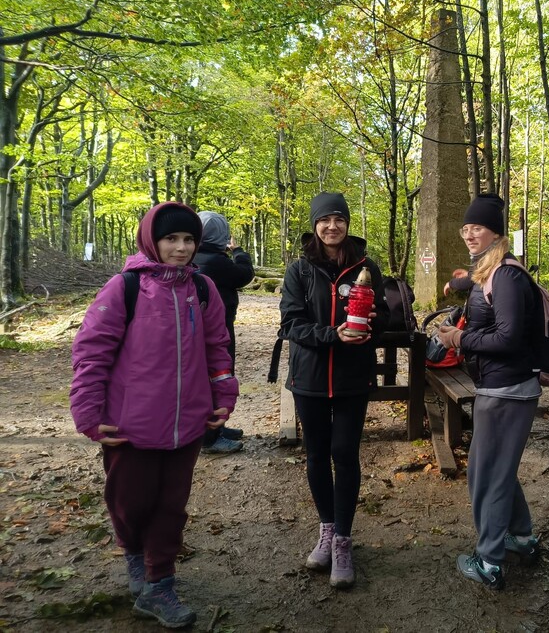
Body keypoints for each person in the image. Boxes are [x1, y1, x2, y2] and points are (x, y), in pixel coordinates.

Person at [70, 202, 239, 629]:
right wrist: (88, 413)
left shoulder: (202, 288)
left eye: (189, 240)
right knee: (131, 501)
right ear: (152, 241)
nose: (181, 248)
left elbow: (218, 348)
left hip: (189, 424)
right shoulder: (124, 288)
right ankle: (134, 552)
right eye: (171, 239)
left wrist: (223, 396)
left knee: (171, 506)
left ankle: (159, 583)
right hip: (131, 426)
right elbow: (92, 353)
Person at [277, 191, 389, 589]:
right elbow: (290, 324)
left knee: (344, 453)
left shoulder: (366, 267)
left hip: (351, 378)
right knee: (316, 455)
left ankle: (343, 539)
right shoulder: (300, 270)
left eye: (339, 219)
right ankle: (326, 530)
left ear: (347, 224)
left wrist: (373, 319)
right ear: (315, 226)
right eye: (324, 220)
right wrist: (332, 334)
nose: (332, 226)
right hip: (308, 379)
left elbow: (384, 318)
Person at [436, 193, 543, 591]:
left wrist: (459, 338)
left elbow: (509, 338)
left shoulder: (507, 276)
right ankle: (522, 538)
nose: (469, 234)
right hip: (500, 387)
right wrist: (456, 290)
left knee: (487, 475)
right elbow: (473, 287)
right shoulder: (490, 270)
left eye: (477, 228)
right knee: (498, 469)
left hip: (506, 390)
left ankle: (489, 562)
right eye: (465, 228)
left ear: (495, 233)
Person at [195, 211, 256, 455]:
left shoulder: (194, 256)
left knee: (208, 378)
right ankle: (209, 438)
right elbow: (244, 274)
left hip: (201, 328)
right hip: (217, 328)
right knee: (217, 376)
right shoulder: (215, 261)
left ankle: (216, 428)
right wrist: (238, 250)